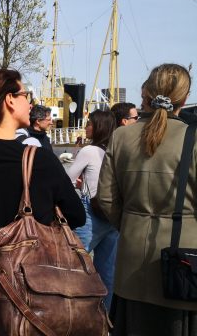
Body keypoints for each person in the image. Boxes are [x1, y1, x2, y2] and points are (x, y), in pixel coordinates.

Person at [0, 69, 85, 334]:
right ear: (9, 100)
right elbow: (77, 216)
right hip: (29, 293)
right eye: (26, 95)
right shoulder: (39, 160)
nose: (30, 103)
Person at [98, 63, 197, 335]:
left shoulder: (121, 136)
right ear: (184, 98)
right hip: (183, 265)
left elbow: (106, 198)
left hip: (131, 263)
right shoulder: (193, 137)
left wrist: (131, 224)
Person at [66, 109, 117, 310]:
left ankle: (76, 315)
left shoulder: (89, 151)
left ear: (98, 127)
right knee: (107, 273)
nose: (86, 127)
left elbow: (68, 178)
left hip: (91, 214)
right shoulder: (115, 150)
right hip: (111, 215)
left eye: (89, 123)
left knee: (75, 267)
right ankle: (102, 319)